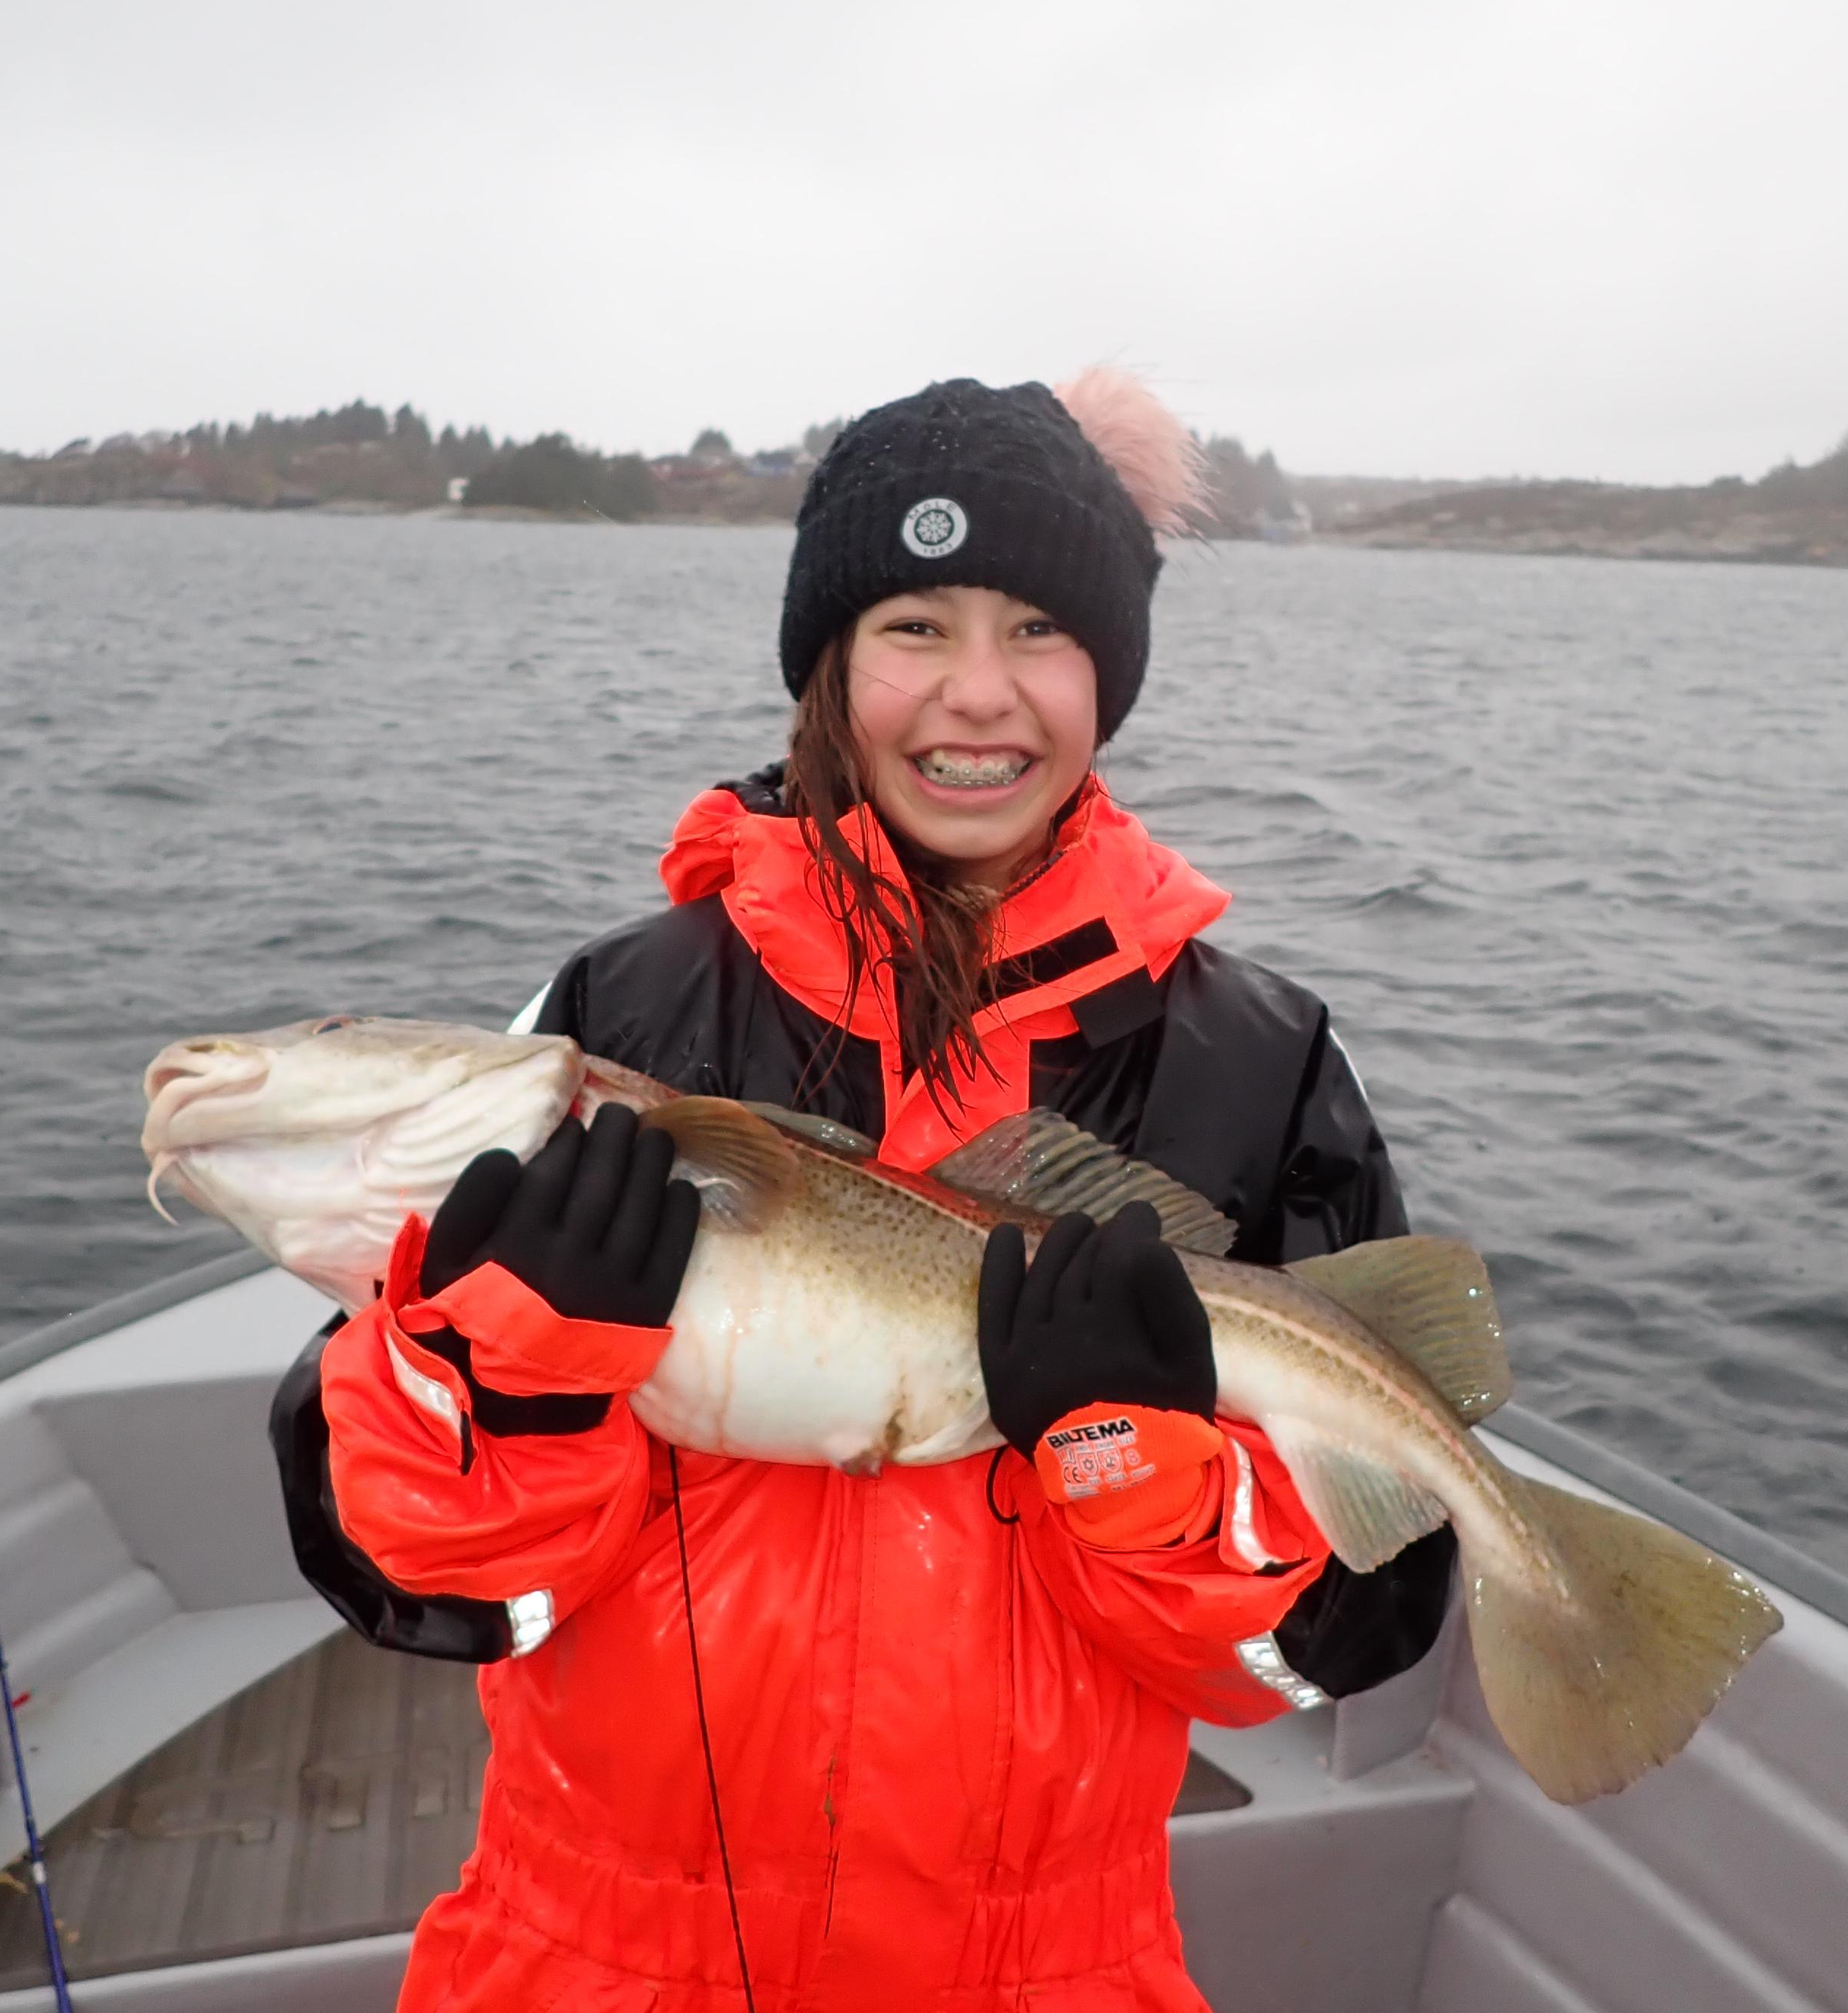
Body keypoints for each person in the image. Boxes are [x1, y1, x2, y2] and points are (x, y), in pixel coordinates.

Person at [277, 370, 1457, 2011]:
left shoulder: (1256, 1064)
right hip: (603, 1958)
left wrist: (1135, 1469)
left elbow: (1332, 1640)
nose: (979, 694)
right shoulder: (614, 1023)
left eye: (1040, 629)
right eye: (914, 626)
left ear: (1108, 673)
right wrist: (516, 1388)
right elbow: (414, 1578)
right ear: (830, 663)